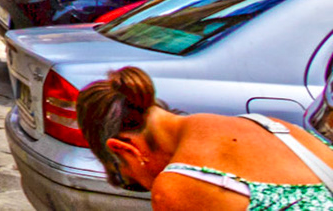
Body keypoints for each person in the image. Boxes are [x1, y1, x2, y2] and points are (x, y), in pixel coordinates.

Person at [78, 66, 333, 207]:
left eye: (129, 180)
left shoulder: (177, 186)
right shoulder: (269, 125)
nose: (147, 187)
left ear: (126, 149)